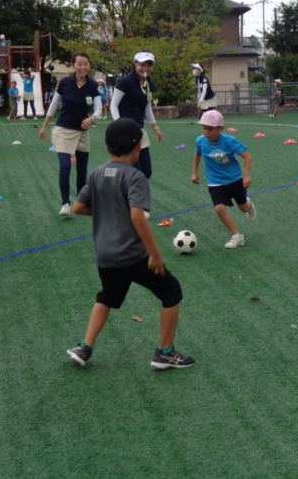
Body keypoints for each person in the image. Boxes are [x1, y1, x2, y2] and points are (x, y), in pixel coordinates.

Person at [66, 118, 196, 370]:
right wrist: (154, 253)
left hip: (106, 255)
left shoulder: (97, 173)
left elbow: (78, 207)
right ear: (138, 146)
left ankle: (84, 347)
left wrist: (107, 210)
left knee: (107, 296)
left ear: (106, 148)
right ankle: (165, 353)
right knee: (171, 292)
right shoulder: (135, 177)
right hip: (134, 255)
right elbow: (137, 215)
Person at [39, 52, 102, 216]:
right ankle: (65, 204)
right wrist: (44, 127)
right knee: (65, 168)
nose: (83, 67)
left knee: (82, 171)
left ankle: (81, 204)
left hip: (83, 132)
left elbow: (99, 108)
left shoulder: (93, 85)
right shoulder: (65, 83)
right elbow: (54, 105)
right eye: (79, 64)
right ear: (73, 66)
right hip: (63, 130)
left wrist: (92, 119)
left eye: (86, 64)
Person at [191, 109, 257, 249]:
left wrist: (246, 175)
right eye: (204, 128)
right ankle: (237, 236)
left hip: (234, 180)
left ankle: (249, 206)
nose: (206, 132)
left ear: (220, 128)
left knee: (243, 207)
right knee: (219, 209)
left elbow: (247, 156)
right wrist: (194, 172)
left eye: (210, 129)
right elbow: (197, 155)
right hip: (215, 182)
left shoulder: (229, 141)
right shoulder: (201, 141)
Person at [110, 50, 164, 179]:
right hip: (125, 131)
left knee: (146, 172)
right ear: (135, 64)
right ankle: (129, 196)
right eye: (142, 64)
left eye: (149, 65)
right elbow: (113, 105)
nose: (145, 68)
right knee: (135, 172)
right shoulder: (125, 82)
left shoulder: (150, 84)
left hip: (139, 130)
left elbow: (147, 106)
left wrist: (155, 128)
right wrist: (119, 125)